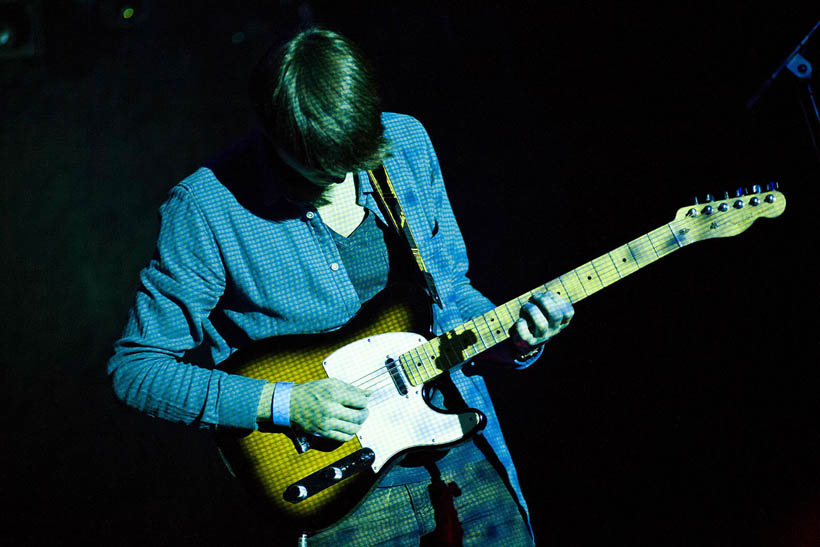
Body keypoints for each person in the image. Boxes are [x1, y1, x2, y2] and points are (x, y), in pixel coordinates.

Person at [107, 27, 574, 545]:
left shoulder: (406, 143)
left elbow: (450, 292)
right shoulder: (205, 210)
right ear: (274, 136)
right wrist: (283, 403)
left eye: (359, 159)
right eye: (326, 169)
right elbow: (137, 370)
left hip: (466, 452)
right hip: (338, 495)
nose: (347, 177)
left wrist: (518, 338)